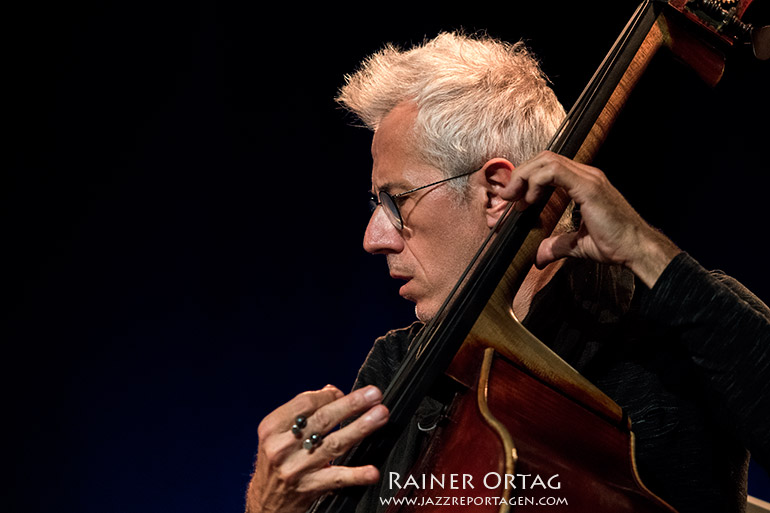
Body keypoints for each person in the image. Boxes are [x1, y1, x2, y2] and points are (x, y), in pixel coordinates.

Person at [244, 32, 770, 513]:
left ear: (496, 191)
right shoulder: (400, 366)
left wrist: (649, 256)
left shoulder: (683, 323)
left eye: (395, 200)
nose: (373, 237)